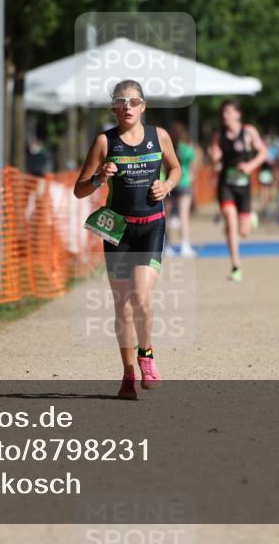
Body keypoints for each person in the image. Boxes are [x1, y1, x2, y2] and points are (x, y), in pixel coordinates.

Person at [74, 80, 181, 401]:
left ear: (143, 106)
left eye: (133, 102)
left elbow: (176, 168)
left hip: (151, 227)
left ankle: (146, 355)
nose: (127, 108)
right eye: (121, 103)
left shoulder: (159, 136)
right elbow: (79, 189)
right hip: (118, 230)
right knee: (122, 304)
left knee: (141, 297)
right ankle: (128, 374)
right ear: (113, 108)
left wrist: (167, 185)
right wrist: (99, 179)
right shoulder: (104, 142)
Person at [209, 100, 268, 282]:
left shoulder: (248, 132)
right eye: (223, 112)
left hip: (243, 185)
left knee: (244, 232)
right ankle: (236, 265)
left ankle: (250, 218)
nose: (224, 115)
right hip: (226, 183)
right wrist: (214, 157)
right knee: (230, 218)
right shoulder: (219, 134)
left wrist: (250, 166)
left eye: (228, 111)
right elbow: (215, 157)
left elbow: (263, 152)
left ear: (238, 114)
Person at [169, 122, 197, 257]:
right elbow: (192, 167)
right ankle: (185, 245)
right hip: (184, 182)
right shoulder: (187, 149)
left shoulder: (168, 149)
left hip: (169, 182)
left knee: (166, 216)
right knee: (184, 216)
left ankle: (167, 246)